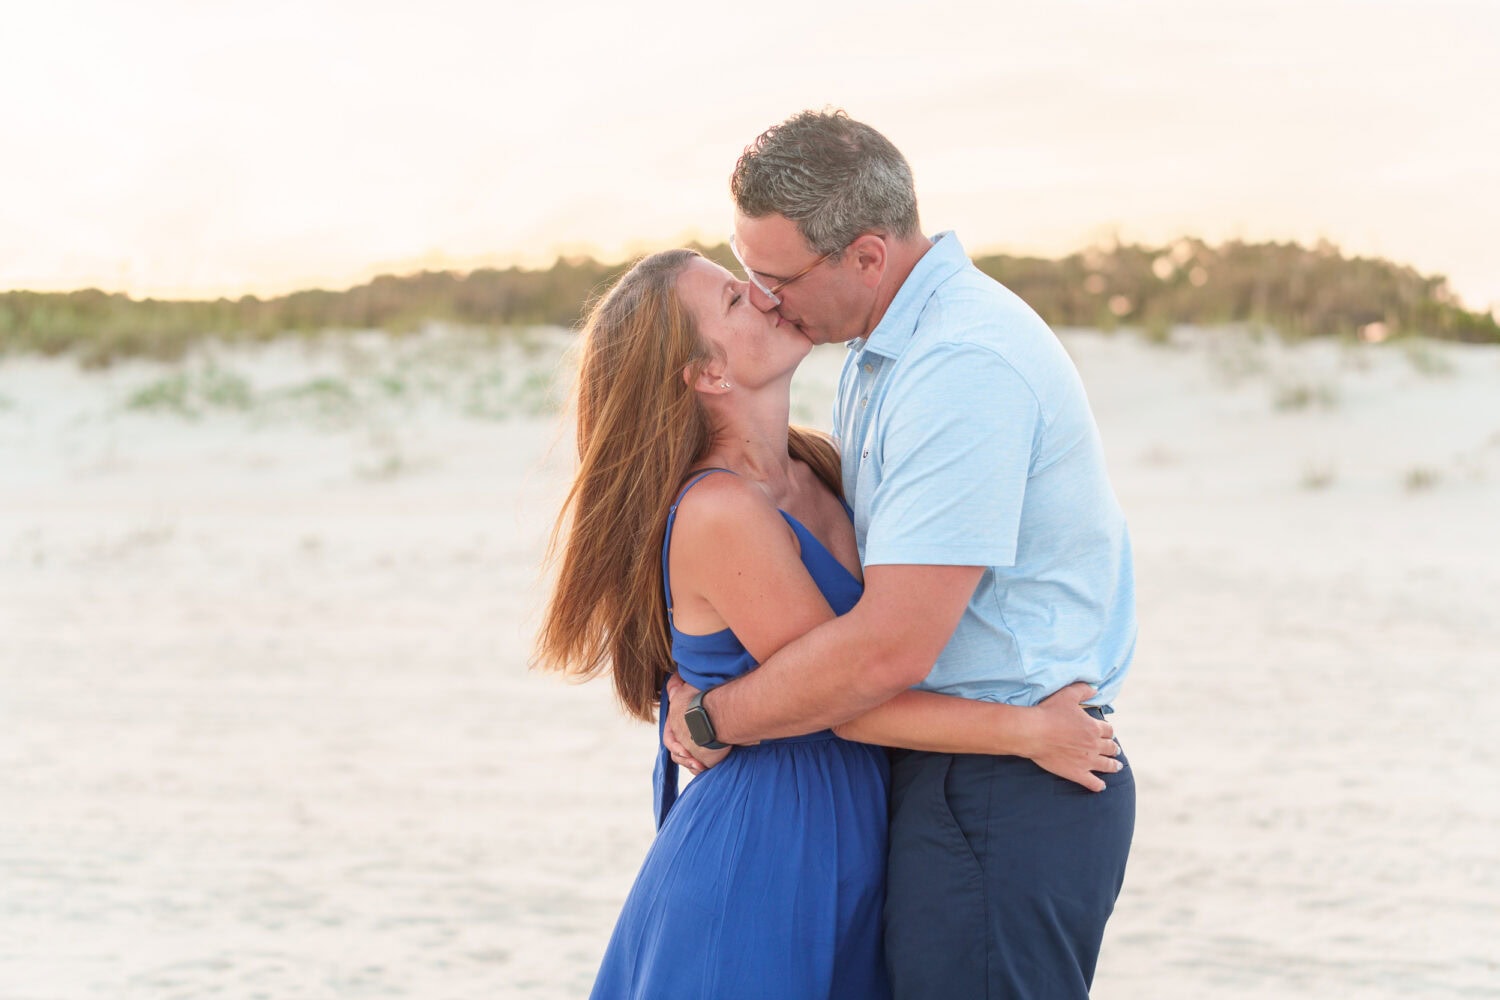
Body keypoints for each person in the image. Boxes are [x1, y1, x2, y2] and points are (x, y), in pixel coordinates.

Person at [534, 247, 1120, 999]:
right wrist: (1029, 733)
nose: (763, 295)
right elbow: (848, 698)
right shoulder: (721, 513)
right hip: (765, 849)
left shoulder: (823, 466)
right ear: (707, 373)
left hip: (854, 831)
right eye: (735, 301)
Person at [664, 110, 1138, 999]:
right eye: (745, 278)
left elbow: (886, 649)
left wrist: (713, 719)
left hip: (1003, 782)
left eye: (774, 278)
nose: (765, 298)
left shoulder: (959, 365)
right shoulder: (881, 355)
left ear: (868, 257)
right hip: (933, 775)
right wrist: (688, 677)